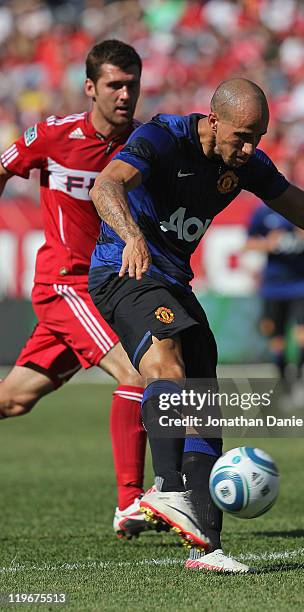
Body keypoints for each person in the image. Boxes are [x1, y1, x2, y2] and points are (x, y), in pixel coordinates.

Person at [88, 78, 304, 572]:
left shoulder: (247, 163)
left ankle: (206, 549)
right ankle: (167, 489)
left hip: (171, 282)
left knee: (206, 401)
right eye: (242, 136)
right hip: (125, 270)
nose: (250, 148)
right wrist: (131, 236)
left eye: (259, 137)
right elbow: (106, 184)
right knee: (166, 368)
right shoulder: (163, 137)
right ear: (213, 120)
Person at [0, 40, 151, 540]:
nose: (124, 94)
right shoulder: (53, 135)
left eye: (131, 84)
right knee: (136, 373)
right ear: (91, 87)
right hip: (66, 285)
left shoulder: (142, 146)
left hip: (107, 291)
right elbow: (3, 166)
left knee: (14, 400)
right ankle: (130, 503)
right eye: (114, 84)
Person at [245, 204, 304, 395]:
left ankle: (299, 377)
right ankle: (285, 384)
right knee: (277, 341)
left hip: (300, 285)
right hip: (273, 288)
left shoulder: (299, 206)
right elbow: (247, 243)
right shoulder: (262, 213)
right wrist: (267, 244)